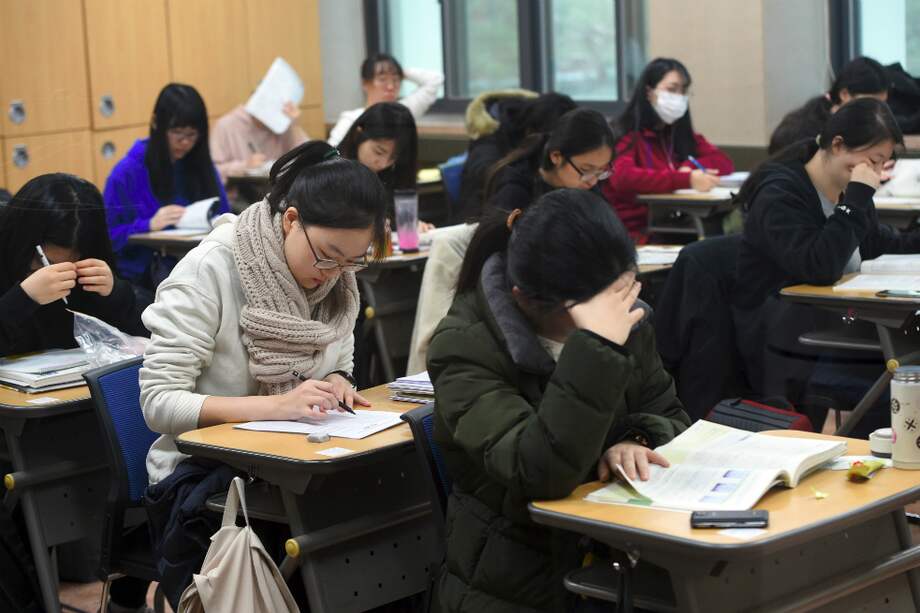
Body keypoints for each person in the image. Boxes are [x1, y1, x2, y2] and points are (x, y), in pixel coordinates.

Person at [140, 141, 388, 608]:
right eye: (327, 255)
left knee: (387, 498)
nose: (334, 272)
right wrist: (276, 406)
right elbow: (159, 402)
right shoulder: (211, 269)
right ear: (291, 220)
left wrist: (338, 381)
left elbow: (340, 361)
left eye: (352, 261)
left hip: (295, 459)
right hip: (209, 476)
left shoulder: (337, 283)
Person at [427, 189, 690, 611]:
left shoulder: (622, 319)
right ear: (525, 299)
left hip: (618, 548)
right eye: (595, 306)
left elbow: (671, 415)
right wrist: (596, 348)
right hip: (520, 577)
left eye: (620, 291)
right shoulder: (463, 348)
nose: (616, 310)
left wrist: (636, 439)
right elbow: (537, 472)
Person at [0, 174, 149, 613]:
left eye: (77, 257)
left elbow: (152, 324)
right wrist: (21, 298)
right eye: (47, 259)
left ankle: (127, 591)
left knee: (148, 447)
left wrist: (118, 294)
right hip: (15, 424)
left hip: (74, 408)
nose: (65, 267)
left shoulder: (91, 268)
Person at [732, 98, 918, 433]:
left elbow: (881, 243)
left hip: (843, 321)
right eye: (873, 161)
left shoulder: (847, 190)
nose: (876, 174)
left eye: (882, 165)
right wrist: (859, 197)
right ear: (837, 145)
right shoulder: (781, 193)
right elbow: (819, 265)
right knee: (907, 360)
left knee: (909, 343)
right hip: (792, 335)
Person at [103, 83, 229, 290]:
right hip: (144, 278)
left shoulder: (200, 165)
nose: (185, 143)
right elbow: (107, 237)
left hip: (200, 271)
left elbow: (224, 216)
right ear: (155, 124)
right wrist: (147, 225)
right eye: (177, 133)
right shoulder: (127, 172)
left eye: (192, 135)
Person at [604, 57, 734, 238]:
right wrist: (685, 179)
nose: (679, 98)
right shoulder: (626, 134)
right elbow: (623, 177)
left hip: (673, 222)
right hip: (633, 230)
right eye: (672, 90)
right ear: (649, 92)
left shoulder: (678, 134)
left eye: (683, 91)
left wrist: (691, 167)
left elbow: (724, 162)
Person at [458, 92, 576, 221]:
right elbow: (488, 174)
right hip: (477, 218)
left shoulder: (533, 120)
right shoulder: (489, 139)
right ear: (532, 132)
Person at [484, 107, 616, 213]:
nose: (593, 182)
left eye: (600, 171)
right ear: (556, 157)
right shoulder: (514, 192)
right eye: (586, 169)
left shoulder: (587, 184)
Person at [769, 56, 890, 155]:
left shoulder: (853, 123)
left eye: (882, 104)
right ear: (844, 94)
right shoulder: (810, 132)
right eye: (870, 104)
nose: (876, 112)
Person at [327, 53, 444, 147]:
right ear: (365, 83)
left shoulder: (404, 111)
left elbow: (435, 79)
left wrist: (398, 70)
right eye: (382, 79)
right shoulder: (351, 119)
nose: (391, 86)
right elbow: (331, 153)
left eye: (396, 80)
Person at [210, 100, 308, 182]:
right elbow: (213, 170)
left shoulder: (281, 123)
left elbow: (308, 156)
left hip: (279, 191)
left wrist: (294, 125)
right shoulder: (226, 125)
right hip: (242, 196)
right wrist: (244, 166)